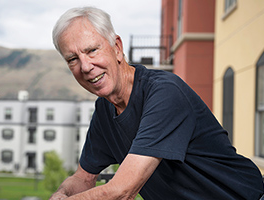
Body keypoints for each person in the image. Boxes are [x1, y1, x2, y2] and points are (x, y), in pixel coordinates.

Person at [50, 6, 264, 200]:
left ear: (117, 47)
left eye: (92, 50)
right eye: (73, 59)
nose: (85, 66)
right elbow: (83, 178)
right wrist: (61, 194)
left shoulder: (165, 93)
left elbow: (122, 191)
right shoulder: (104, 111)